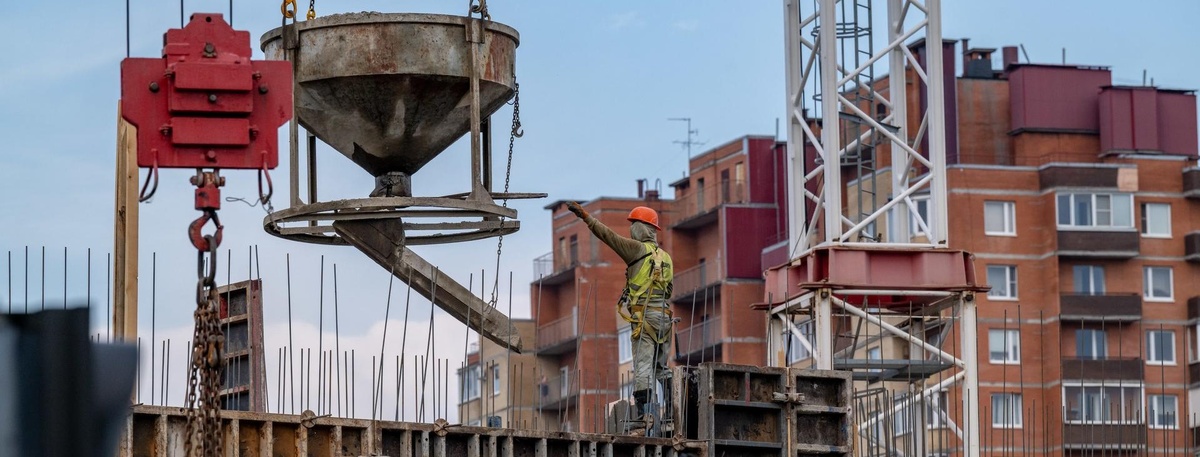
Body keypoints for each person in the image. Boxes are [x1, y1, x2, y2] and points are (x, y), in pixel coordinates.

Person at [565, 201, 673, 435]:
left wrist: (585, 216)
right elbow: (669, 290)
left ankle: (646, 416)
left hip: (645, 318)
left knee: (642, 366)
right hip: (665, 318)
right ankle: (674, 409)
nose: (631, 229)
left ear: (641, 228)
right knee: (661, 368)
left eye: (634, 225)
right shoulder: (666, 257)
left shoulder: (637, 250)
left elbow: (608, 236)